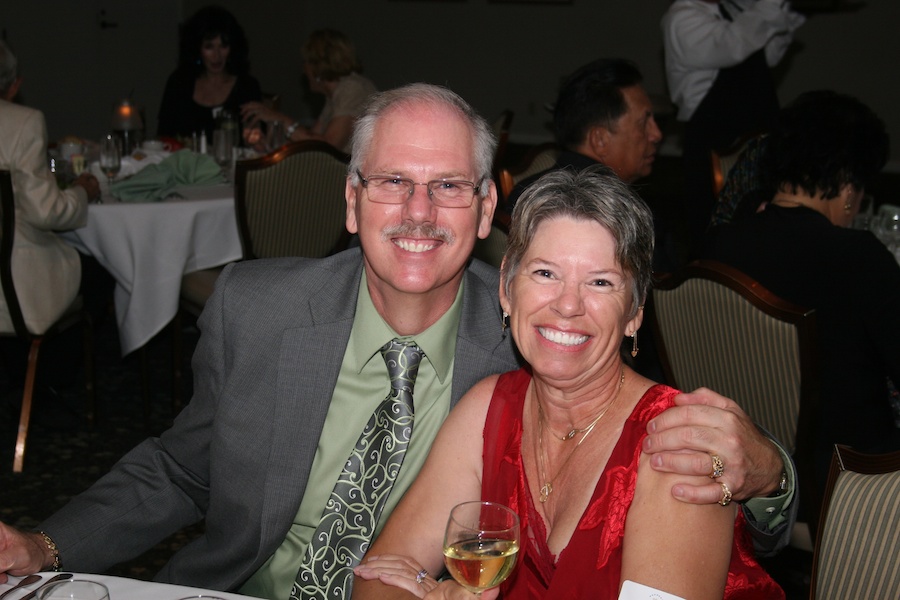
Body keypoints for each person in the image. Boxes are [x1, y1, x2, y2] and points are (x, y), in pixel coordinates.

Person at [0, 84, 791, 599]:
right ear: (352, 202)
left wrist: (770, 475)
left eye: (448, 186)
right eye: (392, 183)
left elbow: (665, 460)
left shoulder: (537, 341)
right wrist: (45, 540)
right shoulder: (256, 308)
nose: (419, 212)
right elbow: (180, 467)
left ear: (485, 214)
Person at [353, 167, 783, 599]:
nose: (568, 305)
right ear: (506, 288)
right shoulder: (489, 410)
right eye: (545, 273)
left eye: (600, 282)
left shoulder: (675, 450)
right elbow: (376, 577)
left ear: (634, 313)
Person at [703, 90, 900, 497]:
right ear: (849, 187)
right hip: (849, 481)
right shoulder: (859, 258)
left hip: (727, 461)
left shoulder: (717, 247)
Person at [0, 40, 110, 388]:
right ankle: (51, 381)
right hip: (12, 288)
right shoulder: (23, 122)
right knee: (98, 268)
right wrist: (83, 191)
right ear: (14, 85)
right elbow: (47, 212)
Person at [661, 0, 804, 254]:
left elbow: (768, 55)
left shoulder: (735, 10)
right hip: (712, 137)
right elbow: (730, 46)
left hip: (760, 137)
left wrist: (787, 12)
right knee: (715, 229)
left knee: (763, 226)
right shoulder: (683, 16)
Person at [505, 58, 662, 210]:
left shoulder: (530, 190)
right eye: (643, 124)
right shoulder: (596, 207)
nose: (657, 134)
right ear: (599, 140)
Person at [240, 29, 376, 154]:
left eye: (306, 62)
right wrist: (267, 146)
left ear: (317, 65)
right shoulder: (335, 93)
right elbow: (310, 140)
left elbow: (328, 148)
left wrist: (280, 119)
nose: (304, 69)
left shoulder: (353, 88)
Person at [157, 5, 262, 143]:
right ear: (197, 48)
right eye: (209, 47)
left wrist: (255, 137)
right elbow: (165, 136)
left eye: (223, 46)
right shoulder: (179, 83)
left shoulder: (247, 86)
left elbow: (256, 140)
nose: (217, 55)